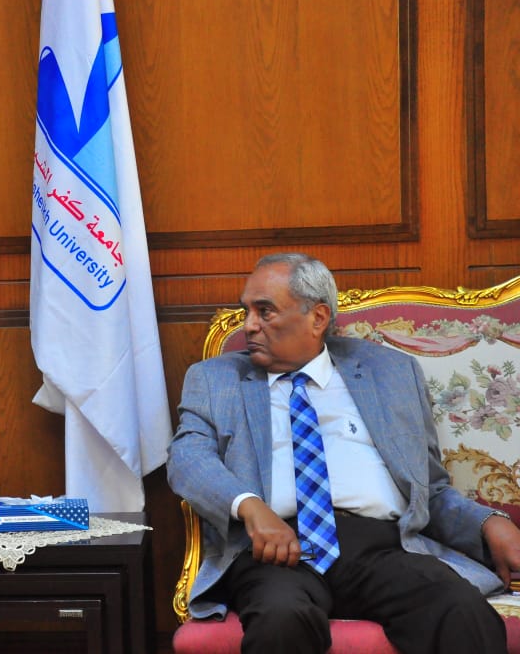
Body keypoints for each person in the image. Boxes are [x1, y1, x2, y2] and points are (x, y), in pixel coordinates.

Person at [168, 252, 520, 653]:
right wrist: (251, 507)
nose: (249, 325)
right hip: (275, 551)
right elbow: (187, 458)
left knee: (459, 609)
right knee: (282, 618)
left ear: (317, 318)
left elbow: (430, 488)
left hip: (381, 549)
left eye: (265, 311)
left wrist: (489, 523)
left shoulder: (390, 372)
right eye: (246, 310)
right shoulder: (215, 379)